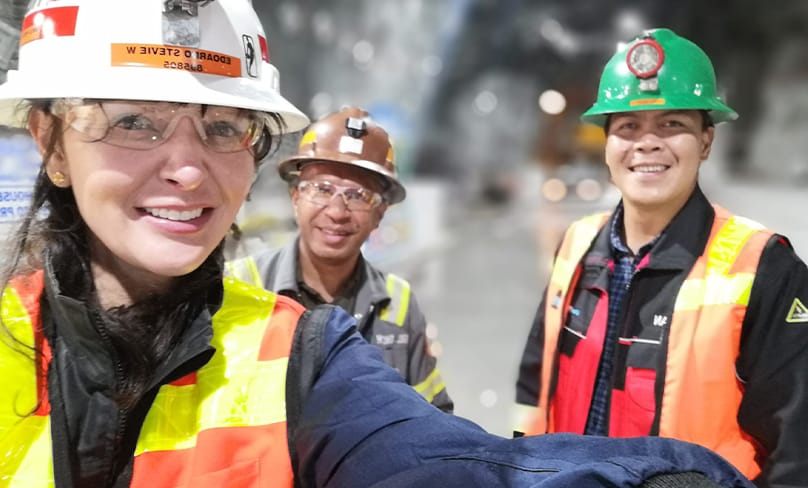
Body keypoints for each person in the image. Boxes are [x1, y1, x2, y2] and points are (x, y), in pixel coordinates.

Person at [0, 2, 758, 485]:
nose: (190, 166)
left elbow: (447, 455)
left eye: (224, 126)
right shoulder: (582, 245)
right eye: (134, 120)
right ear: (51, 142)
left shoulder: (315, 347)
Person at [513, 28, 808, 488]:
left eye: (672, 125)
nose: (647, 143)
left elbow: (796, 451)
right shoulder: (575, 244)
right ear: (608, 145)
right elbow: (534, 389)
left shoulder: (764, 267)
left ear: (706, 142)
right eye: (628, 126)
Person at [226, 107, 452, 412]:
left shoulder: (397, 303)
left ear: (380, 214)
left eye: (358, 195)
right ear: (295, 197)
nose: (336, 212)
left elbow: (433, 418)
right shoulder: (240, 286)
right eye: (322, 189)